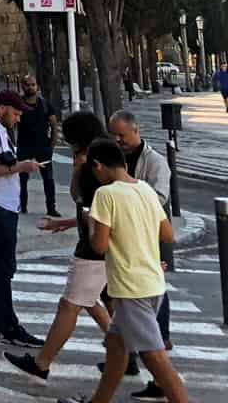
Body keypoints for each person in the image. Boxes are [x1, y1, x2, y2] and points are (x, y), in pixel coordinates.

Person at [60, 138, 189, 403]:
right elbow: (167, 234)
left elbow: (99, 245)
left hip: (130, 288)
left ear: (97, 165)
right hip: (152, 283)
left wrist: (91, 220)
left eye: (93, 170)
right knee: (116, 348)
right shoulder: (144, 189)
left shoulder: (105, 195)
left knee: (154, 357)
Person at [7, 112, 111, 383]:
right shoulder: (102, 158)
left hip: (92, 251)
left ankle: (42, 363)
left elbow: (81, 198)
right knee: (87, 301)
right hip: (97, 247)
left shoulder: (92, 166)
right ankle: (123, 347)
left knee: (69, 305)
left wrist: (78, 167)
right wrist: (65, 222)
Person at [98, 112, 172, 386]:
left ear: (136, 130)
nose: (118, 140)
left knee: (155, 295)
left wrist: (129, 198)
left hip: (146, 240)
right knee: (118, 336)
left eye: (122, 135)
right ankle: (125, 363)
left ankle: (160, 355)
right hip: (124, 243)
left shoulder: (154, 162)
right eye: (113, 135)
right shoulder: (113, 160)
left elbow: (160, 199)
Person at [0, 89, 43, 347]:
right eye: (15, 113)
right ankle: (7, 325)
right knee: (2, 267)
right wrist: (21, 166)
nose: (18, 119)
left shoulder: (0, 130)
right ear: (2, 108)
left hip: (5, 206)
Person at [16, 74, 60, 217]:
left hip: (43, 147)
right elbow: (10, 125)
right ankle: (22, 206)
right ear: (23, 86)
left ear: (37, 86)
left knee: (48, 179)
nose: (30, 87)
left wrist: (51, 145)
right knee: (22, 179)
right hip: (24, 147)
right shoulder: (18, 104)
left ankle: (51, 207)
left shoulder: (46, 105)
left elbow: (54, 125)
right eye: (27, 84)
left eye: (33, 84)